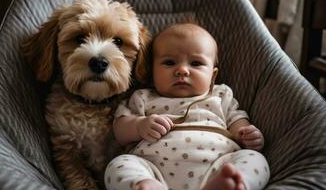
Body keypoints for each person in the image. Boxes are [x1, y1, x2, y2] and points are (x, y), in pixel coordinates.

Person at [104, 23, 270, 190]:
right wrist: (139, 126)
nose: (182, 70)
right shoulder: (143, 97)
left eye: (196, 63)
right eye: (169, 62)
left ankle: (232, 184)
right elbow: (119, 131)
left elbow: (237, 122)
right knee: (119, 165)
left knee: (254, 159)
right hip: (154, 169)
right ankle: (148, 186)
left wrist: (247, 135)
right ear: (152, 73)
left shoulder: (220, 95)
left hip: (217, 167)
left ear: (212, 76)